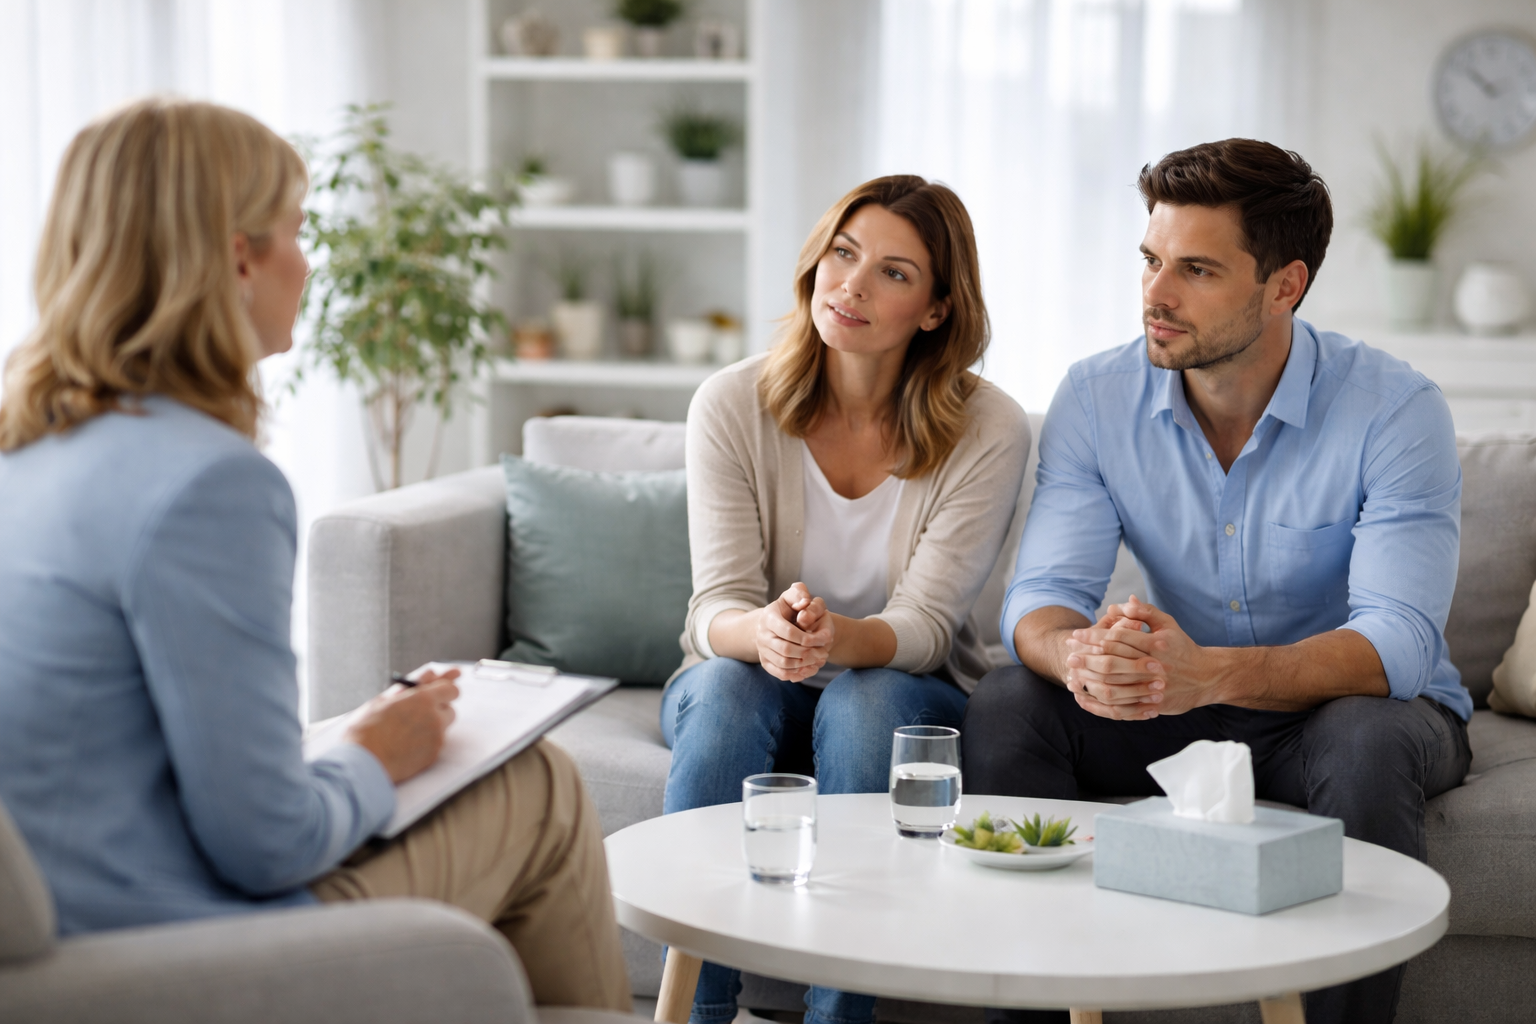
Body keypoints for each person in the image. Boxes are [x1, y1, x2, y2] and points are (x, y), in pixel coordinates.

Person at [0, 97, 630, 1011]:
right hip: (166, 935)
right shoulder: (208, 484)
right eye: (297, 230)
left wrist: (343, 746)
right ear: (236, 256)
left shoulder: (29, 449)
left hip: (71, 905)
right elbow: (265, 845)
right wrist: (376, 755)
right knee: (537, 782)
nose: (308, 261)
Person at [963, 139, 1471, 1024]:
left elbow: (1398, 642)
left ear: (1285, 285)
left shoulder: (1396, 409)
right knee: (1010, 703)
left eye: (1197, 269)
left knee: (1367, 742)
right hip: (1181, 704)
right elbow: (1036, 600)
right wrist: (1081, 654)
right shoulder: (1095, 397)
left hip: (1347, 710)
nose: (1156, 295)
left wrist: (1207, 673)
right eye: (1152, 261)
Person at [661, 175, 1030, 1024]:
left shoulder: (990, 427)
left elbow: (929, 629)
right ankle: (700, 1013)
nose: (853, 285)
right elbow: (711, 608)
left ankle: (841, 1017)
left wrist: (832, 639)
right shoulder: (730, 401)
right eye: (843, 253)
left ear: (937, 309)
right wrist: (769, 634)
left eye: (894, 274)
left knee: (873, 707)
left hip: (897, 682)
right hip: (751, 681)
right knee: (724, 685)